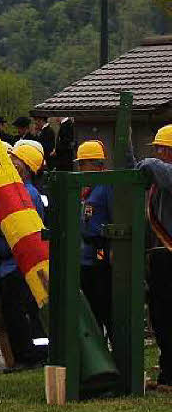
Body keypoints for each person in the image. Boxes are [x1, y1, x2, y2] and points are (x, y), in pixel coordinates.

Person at [0, 141, 48, 371]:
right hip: (3, 264)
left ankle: (27, 356)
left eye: (15, 159)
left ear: (24, 165)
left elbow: (18, 227)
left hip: (17, 264)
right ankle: (24, 354)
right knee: (11, 311)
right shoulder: (14, 191)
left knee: (17, 311)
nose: (9, 162)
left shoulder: (27, 194)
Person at [135, 123, 172, 387]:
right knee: (161, 317)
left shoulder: (164, 172)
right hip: (160, 256)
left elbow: (155, 168)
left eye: (162, 148)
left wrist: (145, 162)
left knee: (167, 316)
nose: (158, 153)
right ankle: (167, 372)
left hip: (168, 255)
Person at [75, 140, 112, 340]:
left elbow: (115, 216)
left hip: (100, 250)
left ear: (97, 164)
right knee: (90, 304)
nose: (80, 168)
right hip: (85, 254)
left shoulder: (107, 186)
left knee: (102, 298)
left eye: (83, 163)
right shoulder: (86, 188)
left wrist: (110, 251)